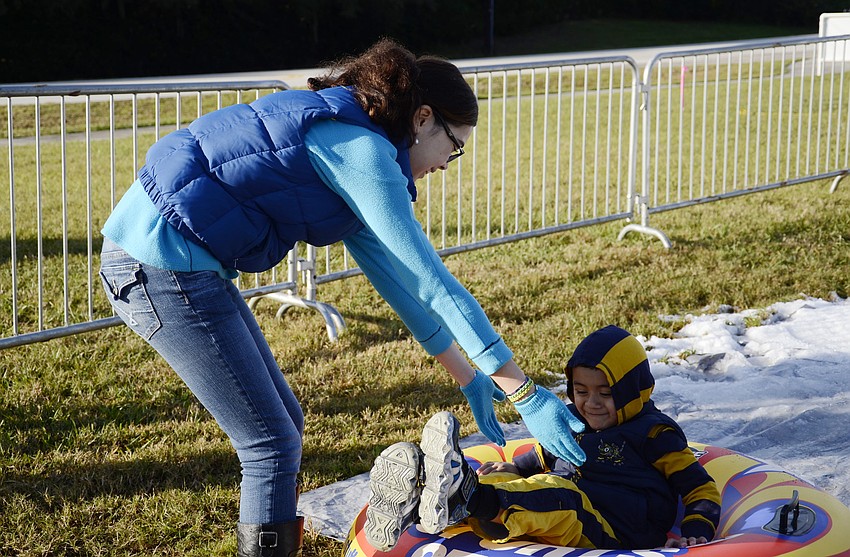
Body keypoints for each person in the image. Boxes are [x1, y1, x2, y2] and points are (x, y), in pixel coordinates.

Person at [98, 38, 586, 557]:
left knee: (284, 426)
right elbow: (435, 284)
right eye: (454, 145)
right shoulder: (363, 152)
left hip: (169, 260)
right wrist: (525, 394)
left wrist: (469, 378)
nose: (448, 163)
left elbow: (402, 285)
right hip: (158, 266)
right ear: (423, 118)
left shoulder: (358, 140)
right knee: (270, 444)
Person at [365, 325, 722, 551]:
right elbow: (546, 454)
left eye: (605, 393)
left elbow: (699, 488)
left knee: (560, 495)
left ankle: (465, 496)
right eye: (580, 391)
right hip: (567, 507)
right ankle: (422, 502)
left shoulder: (654, 433)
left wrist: (697, 530)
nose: (591, 403)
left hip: (616, 528)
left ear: (633, 390)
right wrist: (515, 467)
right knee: (506, 482)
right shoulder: (574, 418)